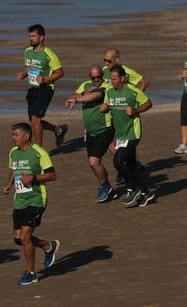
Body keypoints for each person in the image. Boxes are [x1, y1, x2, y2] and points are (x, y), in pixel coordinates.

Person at [4, 122, 59, 287]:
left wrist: (34, 178)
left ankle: (31, 273)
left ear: (26, 136)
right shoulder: (14, 152)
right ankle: (48, 246)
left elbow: (53, 175)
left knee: (25, 237)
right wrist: (9, 184)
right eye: (13, 134)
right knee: (17, 238)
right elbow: (14, 171)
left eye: (16, 135)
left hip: (36, 199)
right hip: (20, 200)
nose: (13, 137)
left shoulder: (39, 152)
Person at [102, 65, 154, 207]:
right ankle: (147, 193)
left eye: (114, 79)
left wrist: (136, 110)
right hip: (121, 134)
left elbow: (148, 103)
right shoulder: (109, 92)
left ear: (122, 79)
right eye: (110, 79)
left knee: (118, 162)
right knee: (131, 165)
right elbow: (106, 106)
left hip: (133, 133)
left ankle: (132, 188)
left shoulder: (132, 91)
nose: (111, 81)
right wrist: (104, 109)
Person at [63, 65, 115, 203]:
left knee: (94, 161)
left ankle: (105, 185)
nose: (97, 80)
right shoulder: (85, 85)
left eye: (99, 77)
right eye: (94, 78)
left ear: (102, 76)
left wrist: (79, 98)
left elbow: (96, 95)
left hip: (105, 129)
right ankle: (106, 185)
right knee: (93, 164)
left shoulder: (107, 86)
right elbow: (74, 94)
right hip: (90, 132)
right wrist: (78, 96)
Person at [16, 24, 67, 150]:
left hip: (46, 88)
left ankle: (38, 150)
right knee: (34, 122)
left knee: (36, 120)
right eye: (30, 36)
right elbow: (28, 66)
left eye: (34, 36)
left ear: (42, 37)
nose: (31, 39)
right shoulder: (28, 51)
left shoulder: (49, 54)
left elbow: (60, 72)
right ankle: (58, 129)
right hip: (32, 88)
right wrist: (23, 73)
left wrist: (45, 79)